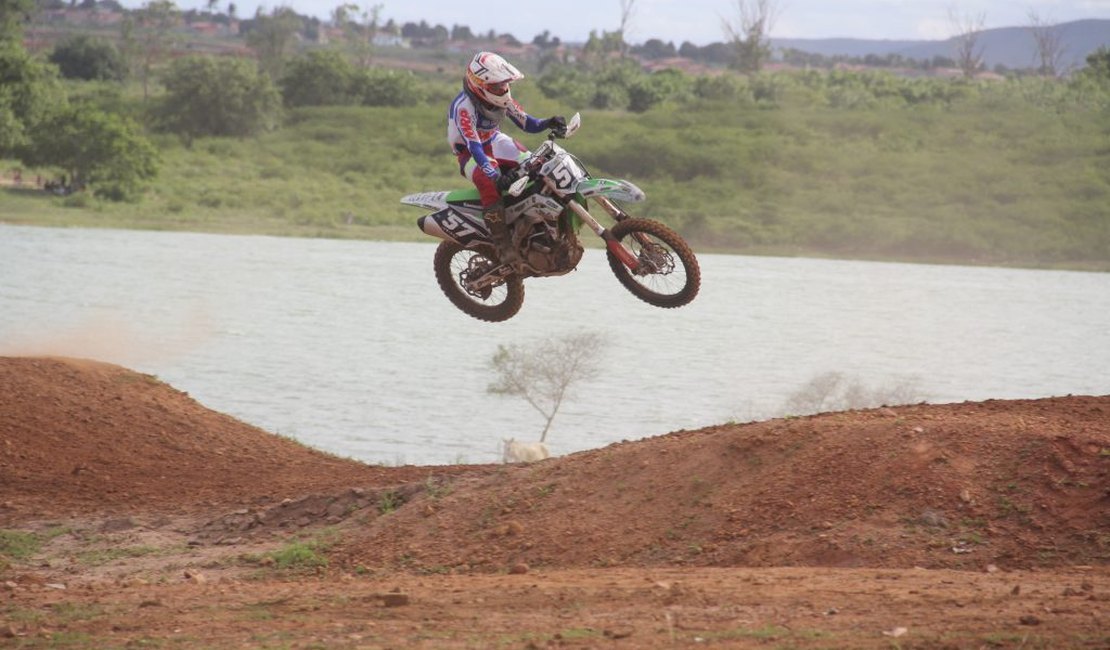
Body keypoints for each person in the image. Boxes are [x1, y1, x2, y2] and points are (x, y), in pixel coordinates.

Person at [447, 51, 566, 267]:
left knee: (538, 162)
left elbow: (527, 123)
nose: (502, 90)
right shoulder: (463, 107)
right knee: (488, 180)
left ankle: (540, 224)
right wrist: (494, 175)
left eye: (504, 84)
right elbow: (474, 146)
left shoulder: (504, 97)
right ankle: (502, 245)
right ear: (478, 84)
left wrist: (549, 122)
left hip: (494, 140)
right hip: (469, 153)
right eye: (496, 86)